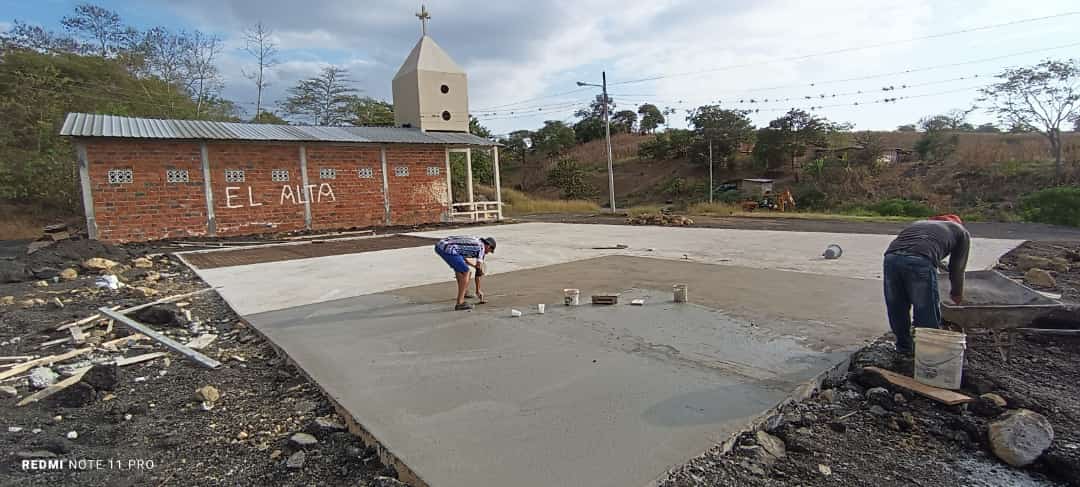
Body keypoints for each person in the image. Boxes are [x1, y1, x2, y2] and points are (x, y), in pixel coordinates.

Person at [883, 214, 970, 354]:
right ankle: (927, 352)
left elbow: (916, 246)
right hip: (920, 260)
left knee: (897, 306)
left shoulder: (920, 223)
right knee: (925, 309)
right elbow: (957, 268)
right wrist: (956, 293)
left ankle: (903, 347)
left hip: (891, 258)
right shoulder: (961, 232)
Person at [434, 236, 496, 310]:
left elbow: (463, 257)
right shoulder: (481, 248)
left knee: (461, 271)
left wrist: (474, 266)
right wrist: (478, 290)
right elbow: (478, 273)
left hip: (441, 245)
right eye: (490, 251)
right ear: (488, 246)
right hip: (447, 248)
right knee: (466, 272)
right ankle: (460, 303)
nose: (488, 253)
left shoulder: (477, 241)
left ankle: (464, 293)